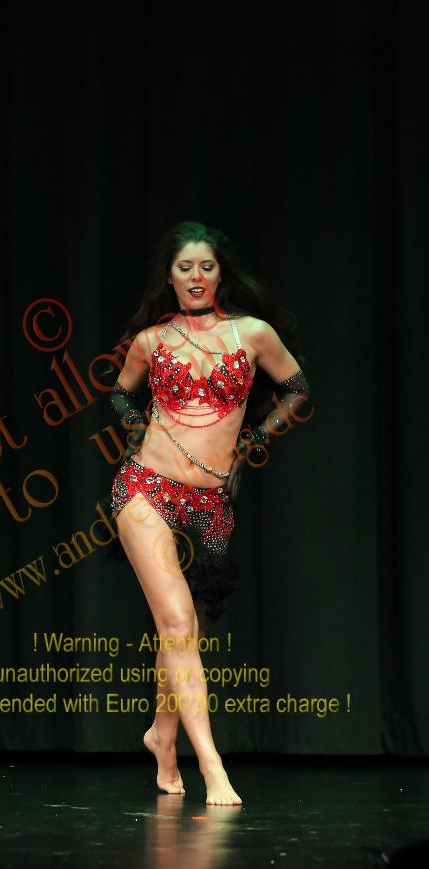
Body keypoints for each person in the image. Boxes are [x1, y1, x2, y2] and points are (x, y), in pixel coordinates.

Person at [105, 221, 312, 806]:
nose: (196, 277)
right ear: (169, 278)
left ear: (221, 274)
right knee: (177, 625)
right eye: (184, 267)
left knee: (181, 632)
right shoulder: (152, 340)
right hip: (145, 489)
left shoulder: (253, 334)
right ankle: (213, 766)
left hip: (210, 504)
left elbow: (297, 387)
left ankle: (161, 736)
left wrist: (253, 442)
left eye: (206, 266)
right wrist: (137, 426)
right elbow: (120, 392)